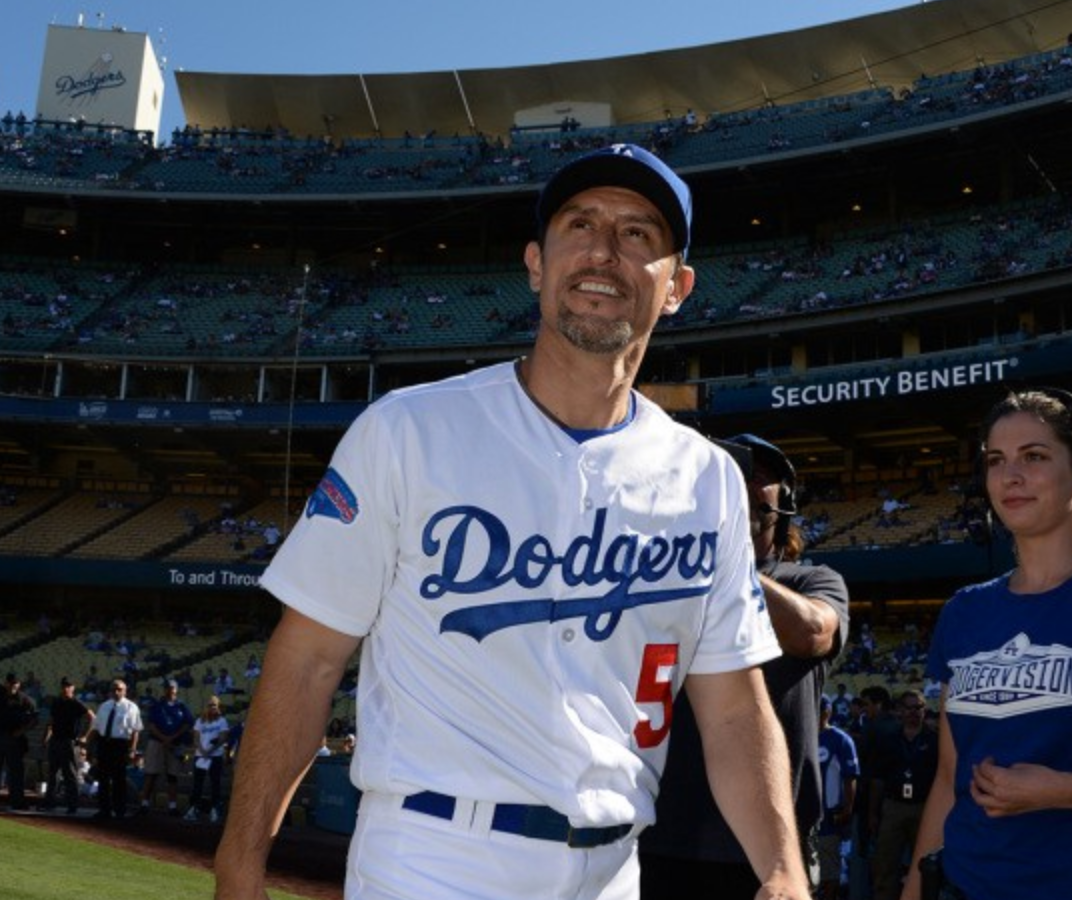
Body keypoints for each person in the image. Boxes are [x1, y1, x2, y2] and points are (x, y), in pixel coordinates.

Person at [214, 144, 811, 900]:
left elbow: (731, 707)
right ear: (536, 262)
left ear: (676, 288)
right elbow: (307, 660)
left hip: (613, 867)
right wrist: (240, 865)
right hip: (433, 858)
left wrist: (785, 868)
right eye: (579, 225)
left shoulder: (709, 479)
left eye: (638, 235)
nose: (603, 251)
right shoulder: (408, 429)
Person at [640, 433, 850, 899]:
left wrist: (723, 561)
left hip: (767, 849)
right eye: (730, 473)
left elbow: (813, 632)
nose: (742, 483)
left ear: (787, 502)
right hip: (658, 833)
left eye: (760, 478)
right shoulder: (671, 575)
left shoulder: (812, 579)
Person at [901, 388, 1072, 900]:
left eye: (1034, 456)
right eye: (996, 460)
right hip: (965, 883)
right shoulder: (964, 611)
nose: (1010, 476)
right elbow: (949, 775)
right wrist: (913, 888)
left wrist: (1059, 790)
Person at [868, 689, 937, 900]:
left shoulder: (936, 741)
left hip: (924, 807)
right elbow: (877, 779)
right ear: (899, 711)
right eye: (909, 707)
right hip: (894, 806)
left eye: (918, 707)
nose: (914, 712)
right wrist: (873, 813)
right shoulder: (888, 738)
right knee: (885, 865)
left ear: (924, 710)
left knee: (926, 866)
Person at [818, 695, 860, 900]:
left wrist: (847, 808)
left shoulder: (841, 739)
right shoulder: (799, 734)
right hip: (802, 815)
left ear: (829, 712)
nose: (819, 714)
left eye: (822, 709)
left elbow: (850, 777)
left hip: (828, 815)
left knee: (829, 871)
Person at [88, 678, 143, 820]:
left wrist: (132, 749)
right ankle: (104, 810)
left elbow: (136, 730)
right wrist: (90, 746)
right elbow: (96, 728)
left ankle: (119, 810)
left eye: (119, 689)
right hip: (104, 743)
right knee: (103, 778)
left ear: (125, 691)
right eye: (114, 689)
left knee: (119, 779)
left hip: (120, 744)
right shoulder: (104, 706)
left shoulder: (131, 707)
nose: (116, 692)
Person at [139, 678, 194, 816]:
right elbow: (151, 725)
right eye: (167, 687)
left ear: (176, 689)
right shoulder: (157, 705)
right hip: (157, 741)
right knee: (150, 773)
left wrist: (172, 738)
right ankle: (144, 804)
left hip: (174, 743)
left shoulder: (182, 706)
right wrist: (164, 739)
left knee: (172, 775)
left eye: (172, 687)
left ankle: (172, 806)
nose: (170, 690)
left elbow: (187, 724)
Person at [41, 676, 95, 813]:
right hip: (56, 740)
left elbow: (92, 718)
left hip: (69, 741)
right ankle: (49, 803)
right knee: (52, 773)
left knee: (70, 774)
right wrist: (45, 737)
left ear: (73, 688)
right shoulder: (57, 702)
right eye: (64, 686)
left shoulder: (76, 703)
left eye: (69, 686)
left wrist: (85, 736)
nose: (66, 688)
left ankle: (72, 805)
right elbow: (51, 721)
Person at [184, 695, 229, 824]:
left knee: (215, 783)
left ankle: (214, 809)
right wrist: (202, 751)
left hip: (215, 757)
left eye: (214, 705)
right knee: (198, 783)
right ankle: (193, 808)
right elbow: (196, 738)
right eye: (210, 705)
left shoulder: (222, 721)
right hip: (201, 757)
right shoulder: (200, 721)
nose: (212, 708)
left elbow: (223, 738)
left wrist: (210, 751)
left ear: (218, 707)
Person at [0, 672, 38, 811]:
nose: (12, 685)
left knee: (16, 772)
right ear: (6, 683)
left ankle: (17, 801)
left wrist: (21, 731)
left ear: (19, 684)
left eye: (15, 683)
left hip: (14, 739)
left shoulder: (25, 700)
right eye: (10, 682)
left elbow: (35, 720)